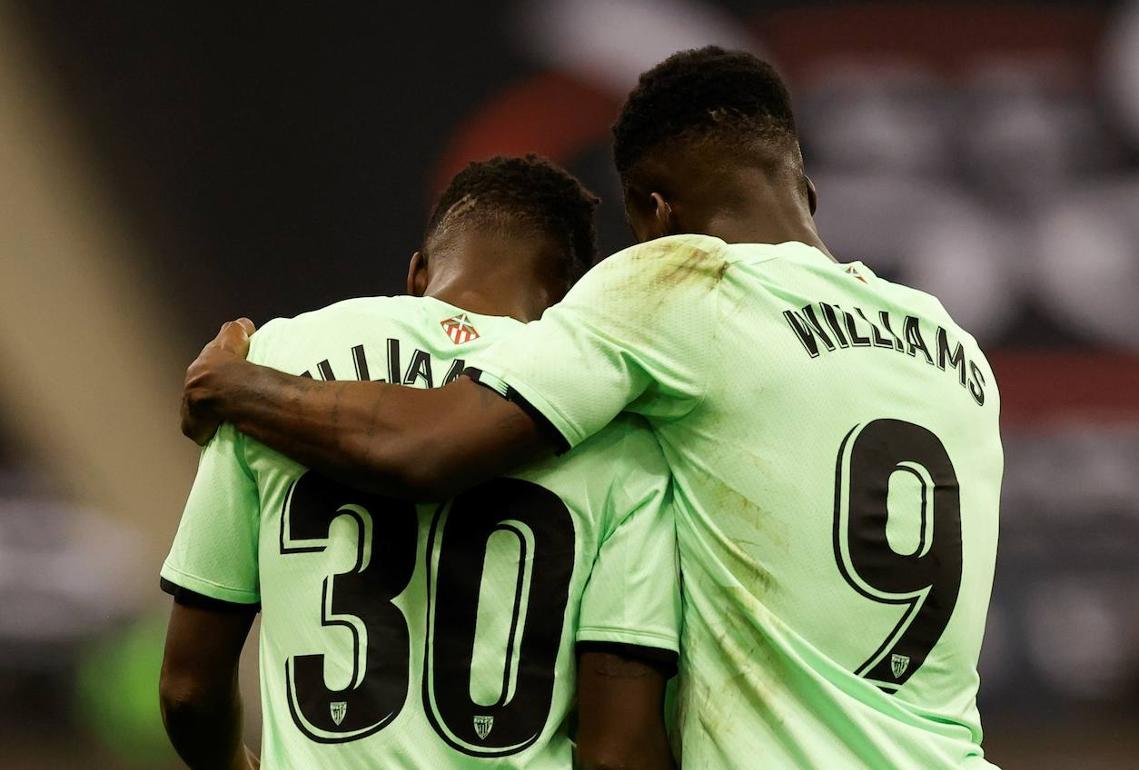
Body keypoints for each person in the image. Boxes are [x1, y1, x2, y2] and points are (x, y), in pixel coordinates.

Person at [183, 48, 1003, 769]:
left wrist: (236, 385)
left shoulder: (682, 282)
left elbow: (423, 449)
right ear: (807, 194)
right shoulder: (953, 346)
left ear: (655, 214)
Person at [160, 155, 681, 770]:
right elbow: (618, 753)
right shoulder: (616, 430)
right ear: (564, 305)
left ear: (416, 273)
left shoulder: (266, 360)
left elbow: (189, 692)